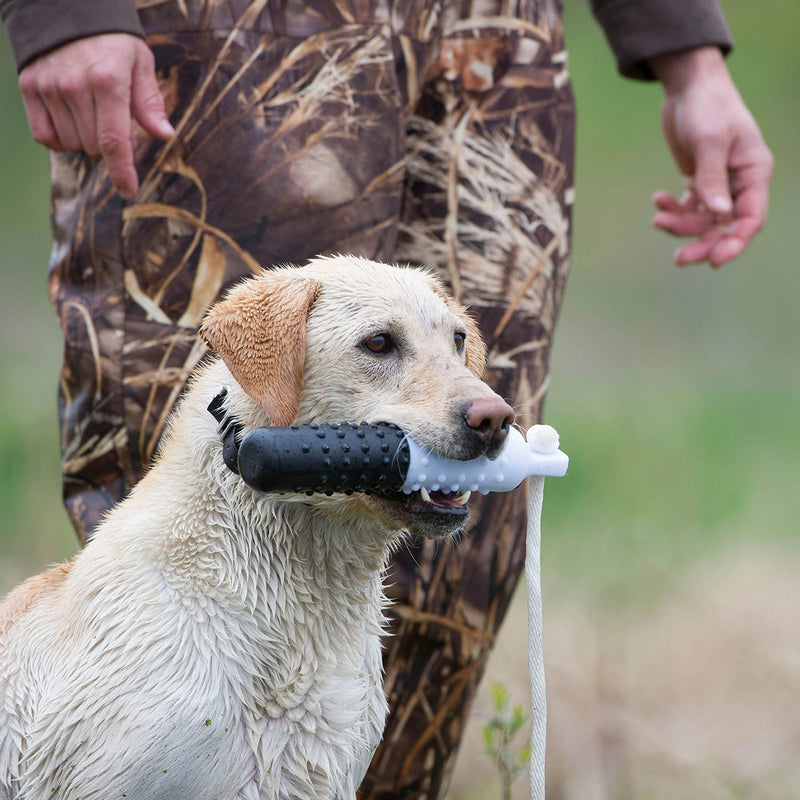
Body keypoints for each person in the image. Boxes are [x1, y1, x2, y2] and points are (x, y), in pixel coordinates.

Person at [0, 1, 773, 797]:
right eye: (379, 350)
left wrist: (686, 48)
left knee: (456, 588)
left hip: (493, 36)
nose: (485, 401)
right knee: (160, 451)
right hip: (224, 29)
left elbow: (457, 381)